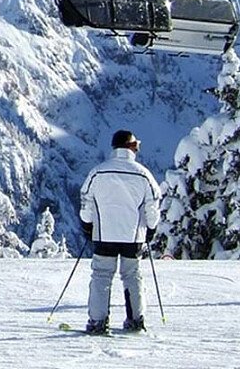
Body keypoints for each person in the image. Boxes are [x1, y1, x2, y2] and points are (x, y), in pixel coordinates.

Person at [79, 129, 161, 335]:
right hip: (133, 236)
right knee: (132, 275)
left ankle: (98, 322)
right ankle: (135, 320)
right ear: (132, 147)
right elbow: (152, 206)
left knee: (101, 276)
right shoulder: (143, 174)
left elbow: (86, 202)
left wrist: (88, 225)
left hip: (104, 234)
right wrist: (151, 229)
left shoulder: (98, 172)